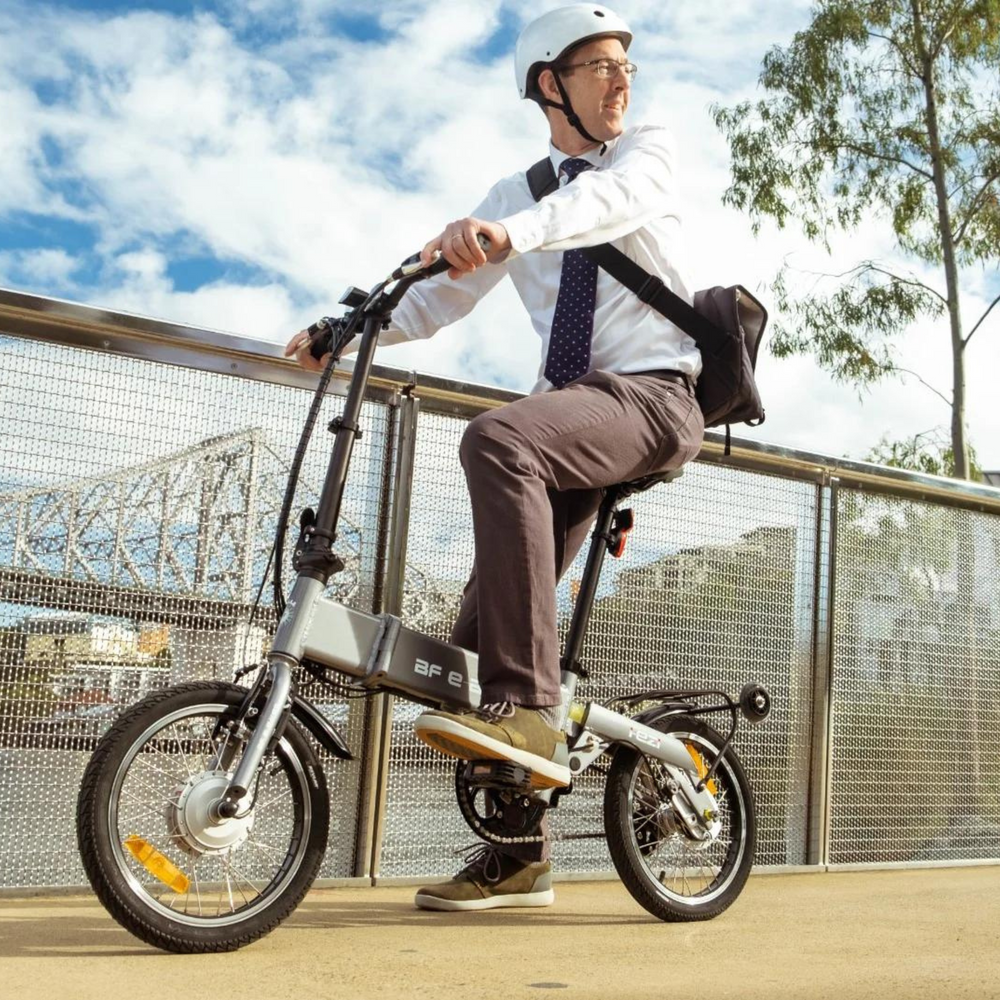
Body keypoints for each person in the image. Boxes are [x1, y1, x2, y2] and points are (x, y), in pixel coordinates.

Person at [285, 4, 704, 912]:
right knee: (472, 647)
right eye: (596, 67)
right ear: (548, 86)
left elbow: (603, 206)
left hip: (656, 398)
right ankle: (519, 855)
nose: (620, 79)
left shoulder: (643, 154)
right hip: (581, 418)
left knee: (497, 435)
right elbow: (433, 302)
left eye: (624, 64)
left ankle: (533, 709)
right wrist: (344, 330)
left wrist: (510, 233)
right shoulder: (513, 194)